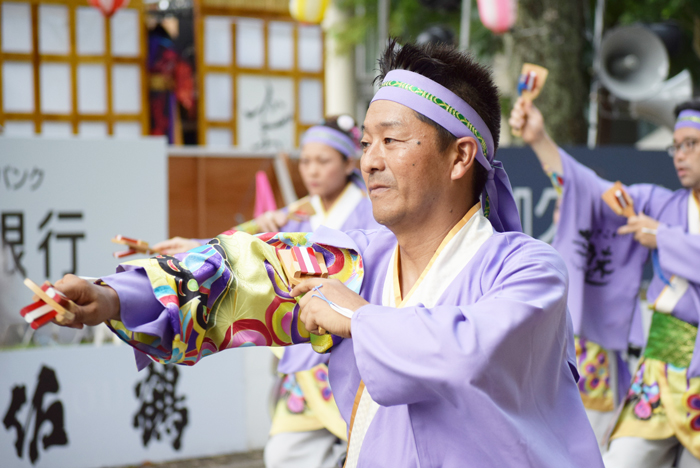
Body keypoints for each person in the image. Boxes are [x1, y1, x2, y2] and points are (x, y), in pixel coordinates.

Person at [46, 41, 602, 467]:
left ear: (460, 158)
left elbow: (468, 352)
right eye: (365, 143)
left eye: (392, 140)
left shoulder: (528, 270)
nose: (370, 161)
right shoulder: (361, 260)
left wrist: (358, 316)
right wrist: (118, 295)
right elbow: (248, 272)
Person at [155, 116, 380, 468]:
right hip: (304, 350)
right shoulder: (296, 214)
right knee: (285, 454)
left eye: (323, 161)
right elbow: (248, 252)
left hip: (355, 346)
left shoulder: (373, 210)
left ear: (349, 163)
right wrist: (194, 249)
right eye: (305, 161)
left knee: (371, 450)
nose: (312, 171)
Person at [510, 98, 700, 467]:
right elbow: (595, 193)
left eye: (691, 144)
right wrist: (540, 140)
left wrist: (664, 238)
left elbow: (663, 236)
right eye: (675, 145)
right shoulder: (660, 204)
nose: (679, 154)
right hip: (659, 369)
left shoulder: (661, 222)